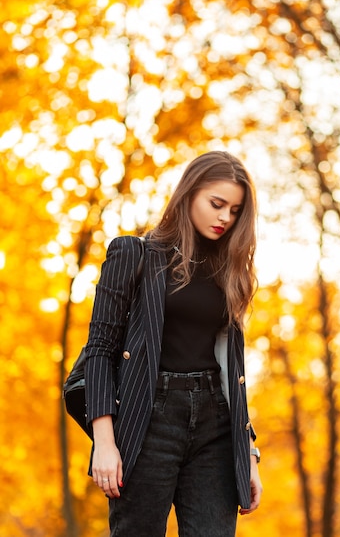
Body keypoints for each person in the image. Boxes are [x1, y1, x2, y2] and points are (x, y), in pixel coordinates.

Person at [84, 150, 262, 537]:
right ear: (189, 193)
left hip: (215, 423)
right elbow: (100, 349)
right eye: (216, 204)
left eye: (234, 210)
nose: (224, 218)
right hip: (148, 420)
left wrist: (247, 451)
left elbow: (233, 372)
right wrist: (104, 442)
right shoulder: (135, 255)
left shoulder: (229, 271)